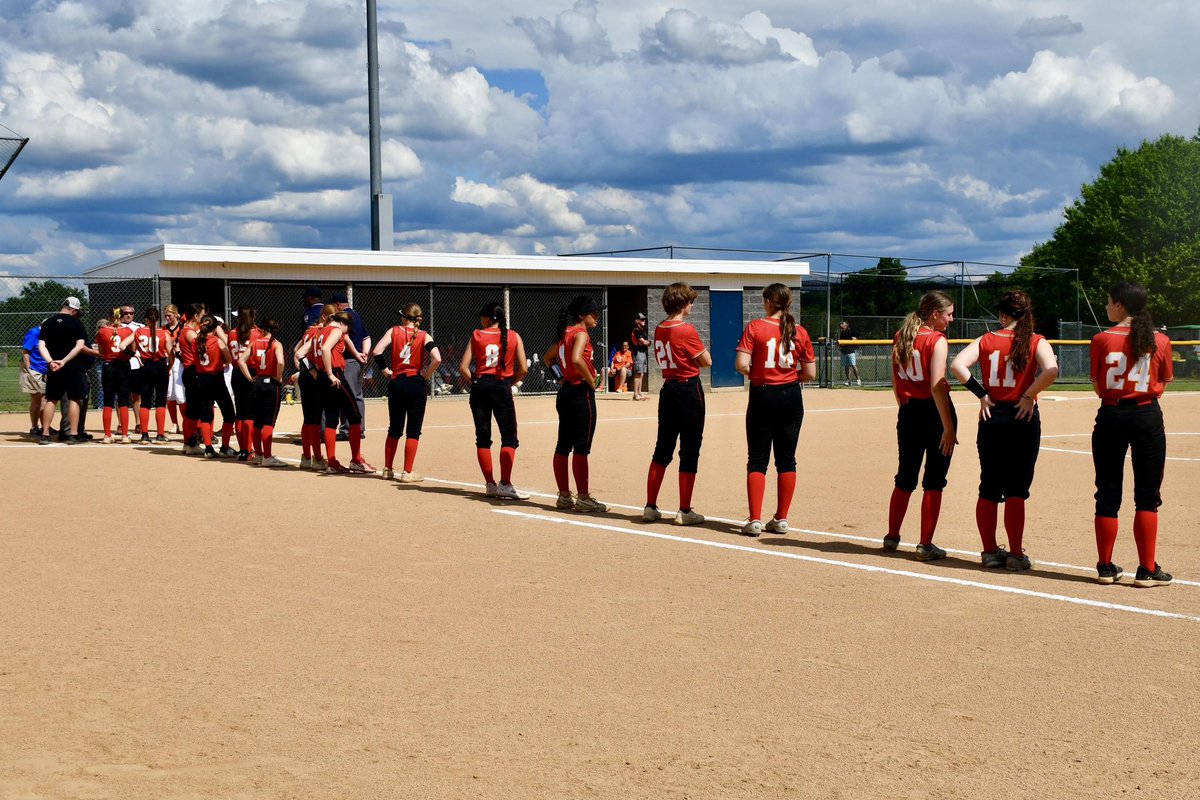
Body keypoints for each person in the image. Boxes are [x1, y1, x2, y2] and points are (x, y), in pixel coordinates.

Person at [950, 291, 1059, 571]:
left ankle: (989, 551)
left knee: (988, 486)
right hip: (1022, 417)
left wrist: (982, 394)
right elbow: (1051, 370)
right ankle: (1014, 554)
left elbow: (957, 365)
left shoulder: (987, 340)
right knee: (1016, 489)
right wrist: (1028, 395)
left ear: (1003, 315)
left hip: (992, 416)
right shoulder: (1036, 340)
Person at [1089, 280, 1174, 587]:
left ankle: (1105, 567)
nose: (1107, 306)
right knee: (1147, 496)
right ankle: (1147, 569)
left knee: (1107, 493)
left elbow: (1098, 385)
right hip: (1146, 415)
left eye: (1110, 301)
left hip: (1111, 415)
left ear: (1121, 304)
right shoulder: (1160, 339)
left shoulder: (1101, 339)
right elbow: (1164, 382)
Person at [734, 284, 816, 536]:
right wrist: (789, 376)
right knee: (787, 458)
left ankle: (755, 519)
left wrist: (759, 372)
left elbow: (741, 364)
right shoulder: (799, 331)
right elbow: (810, 374)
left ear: (769, 301)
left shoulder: (756, 327)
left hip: (763, 394)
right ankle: (781, 518)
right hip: (791, 396)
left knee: (757, 458)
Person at [884, 291, 957, 560]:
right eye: (948, 314)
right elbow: (937, 386)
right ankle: (925, 544)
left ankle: (892, 536)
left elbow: (895, 382)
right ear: (935, 314)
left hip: (908, 410)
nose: (951, 319)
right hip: (934, 412)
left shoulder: (901, 336)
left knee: (905, 476)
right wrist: (948, 427)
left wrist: (904, 408)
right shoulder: (936, 340)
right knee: (934, 479)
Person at [643, 283, 712, 526]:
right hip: (688, 388)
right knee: (690, 449)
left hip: (669, 389)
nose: (693, 305)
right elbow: (706, 361)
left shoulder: (660, 328)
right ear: (683, 304)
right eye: (690, 302)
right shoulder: (686, 329)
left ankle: (650, 506)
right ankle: (684, 509)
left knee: (662, 448)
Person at [459, 302, 530, 499]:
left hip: (480, 387)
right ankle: (505, 483)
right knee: (509, 437)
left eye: (482, 317)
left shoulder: (477, 335)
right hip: (501, 386)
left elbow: (463, 367)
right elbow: (524, 369)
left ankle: (490, 484)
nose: (481, 320)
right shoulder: (514, 336)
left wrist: (477, 380)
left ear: (489, 318)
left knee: (483, 437)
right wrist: (511, 382)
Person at [545, 295, 608, 512]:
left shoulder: (565, 334)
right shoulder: (581, 333)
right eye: (593, 312)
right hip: (581, 392)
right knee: (582, 447)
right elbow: (576, 358)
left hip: (566, 392)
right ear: (582, 315)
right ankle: (583, 497)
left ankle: (564, 495)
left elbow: (548, 358)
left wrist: (561, 377)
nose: (597, 315)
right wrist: (592, 381)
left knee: (563, 445)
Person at [373, 303, 441, 482]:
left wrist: (386, 371)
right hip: (415, 383)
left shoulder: (393, 331)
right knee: (413, 431)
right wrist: (425, 375)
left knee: (394, 428)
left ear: (405, 318)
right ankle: (407, 471)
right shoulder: (424, 335)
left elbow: (377, 351)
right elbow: (437, 358)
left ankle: (387, 468)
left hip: (397, 382)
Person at [317, 310, 372, 473]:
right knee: (355, 417)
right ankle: (356, 459)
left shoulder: (321, 330)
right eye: (348, 328)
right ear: (343, 324)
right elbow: (326, 349)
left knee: (332, 418)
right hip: (335, 374)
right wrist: (330, 374)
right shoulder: (336, 330)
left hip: (322, 376)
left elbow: (305, 353)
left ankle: (332, 462)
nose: (346, 333)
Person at [37, 297, 89, 444]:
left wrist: (51, 361)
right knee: (74, 398)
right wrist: (64, 361)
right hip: (72, 365)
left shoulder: (48, 322)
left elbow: (42, 346)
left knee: (51, 399)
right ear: (73, 309)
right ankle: (72, 434)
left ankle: (45, 434)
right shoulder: (77, 323)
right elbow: (79, 346)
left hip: (54, 366)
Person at [238, 317, 288, 468]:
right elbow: (280, 362)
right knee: (268, 421)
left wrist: (249, 377)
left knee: (257, 421)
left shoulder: (255, 343)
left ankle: (259, 454)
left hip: (258, 381)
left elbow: (241, 361)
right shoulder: (276, 343)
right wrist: (278, 377)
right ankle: (267, 456)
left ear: (262, 330)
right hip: (271, 383)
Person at [293, 303, 336, 470]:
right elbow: (300, 352)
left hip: (307, 375)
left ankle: (306, 457)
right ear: (324, 317)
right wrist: (311, 368)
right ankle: (317, 458)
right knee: (315, 419)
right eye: (333, 318)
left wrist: (301, 366)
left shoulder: (310, 330)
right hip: (313, 376)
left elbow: (297, 350)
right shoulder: (319, 331)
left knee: (309, 418)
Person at [191, 315, 235, 458]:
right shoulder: (217, 342)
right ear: (215, 328)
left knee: (206, 415)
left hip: (201, 379)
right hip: (216, 378)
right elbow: (229, 359)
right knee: (229, 413)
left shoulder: (196, 342)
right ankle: (225, 447)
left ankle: (208, 448)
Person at [330, 291, 370, 439]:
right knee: (357, 395)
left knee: (347, 396)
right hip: (358, 360)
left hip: (348, 360)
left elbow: (345, 340)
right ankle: (359, 429)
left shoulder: (343, 318)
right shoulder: (357, 315)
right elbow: (367, 337)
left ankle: (348, 430)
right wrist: (364, 353)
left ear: (337, 305)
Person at [132, 307, 172, 443]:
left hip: (146, 366)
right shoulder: (164, 333)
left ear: (146, 319)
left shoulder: (138, 331)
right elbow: (171, 354)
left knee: (145, 402)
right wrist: (169, 366)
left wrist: (137, 356)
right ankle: (160, 434)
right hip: (160, 366)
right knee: (161, 401)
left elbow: (123, 346)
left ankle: (144, 434)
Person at [96, 308, 136, 443]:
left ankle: (107, 435)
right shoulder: (128, 331)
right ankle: (124, 435)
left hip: (108, 366)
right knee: (124, 401)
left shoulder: (102, 331)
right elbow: (133, 350)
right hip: (123, 366)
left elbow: (101, 351)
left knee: (108, 401)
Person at [228, 307, 261, 460]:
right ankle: (249, 450)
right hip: (251, 371)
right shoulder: (257, 333)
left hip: (236, 372)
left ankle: (243, 450)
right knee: (250, 413)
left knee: (240, 413)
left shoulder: (232, 333)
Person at [176, 303, 206, 453]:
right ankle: (191, 442)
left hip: (190, 371)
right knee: (194, 409)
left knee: (192, 408)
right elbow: (202, 350)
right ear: (195, 316)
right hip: (193, 371)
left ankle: (189, 442)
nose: (203, 318)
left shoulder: (186, 330)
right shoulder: (190, 332)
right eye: (201, 315)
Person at [20, 323, 49, 437]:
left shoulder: (48, 334)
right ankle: (35, 427)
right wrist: (29, 368)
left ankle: (45, 426)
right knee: (37, 398)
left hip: (45, 369)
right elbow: (26, 352)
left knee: (45, 398)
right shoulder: (35, 332)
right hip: (34, 369)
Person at [163, 304, 184, 433]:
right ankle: (174, 423)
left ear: (176, 314)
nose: (167, 318)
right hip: (167, 360)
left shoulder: (182, 328)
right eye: (165, 315)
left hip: (178, 361)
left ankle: (185, 420)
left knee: (180, 393)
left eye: (169, 315)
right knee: (169, 394)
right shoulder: (164, 329)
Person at [630, 312, 650, 400]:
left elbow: (646, 342)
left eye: (644, 319)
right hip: (638, 352)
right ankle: (635, 394)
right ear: (637, 321)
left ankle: (639, 393)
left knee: (641, 374)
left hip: (642, 352)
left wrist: (647, 342)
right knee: (638, 373)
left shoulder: (641, 330)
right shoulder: (636, 330)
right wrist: (648, 342)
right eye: (642, 319)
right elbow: (643, 342)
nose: (643, 321)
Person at [838, 321, 862, 386]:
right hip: (844, 351)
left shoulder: (852, 331)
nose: (841, 328)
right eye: (840, 327)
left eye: (842, 326)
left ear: (846, 325)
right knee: (846, 366)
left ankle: (858, 380)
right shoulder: (842, 333)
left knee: (853, 365)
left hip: (851, 351)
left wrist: (855, 339)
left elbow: (856, 338)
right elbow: (841, 342)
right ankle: (849, 381)